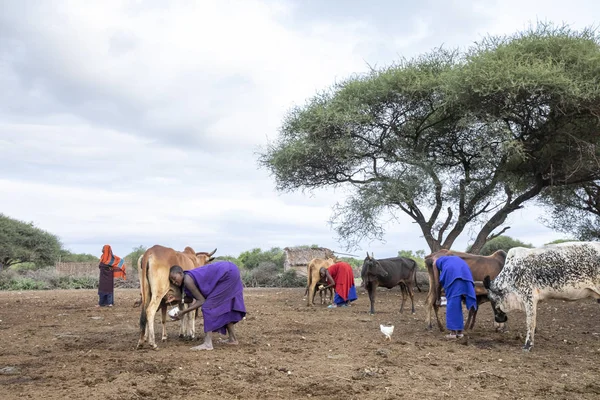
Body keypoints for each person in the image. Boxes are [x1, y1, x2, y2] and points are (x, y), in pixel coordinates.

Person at [168, 261, 246, 351]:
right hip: (230, 270)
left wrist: (183, 312)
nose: (174, 282)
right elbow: (191, 299)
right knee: (225, 306)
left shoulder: (187, 280)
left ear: (180, 273)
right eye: (172, 281)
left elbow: (201, 301)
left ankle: (208, 343)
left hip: (228, 273)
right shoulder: (186, 280)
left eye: (174, 278)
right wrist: (177, 298)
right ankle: (233, 339)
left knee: (207, 307)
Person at [430, 254, 477, 339]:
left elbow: (437, 283)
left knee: (452, 302)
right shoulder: (452, 258)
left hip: (452, 274)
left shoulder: (435, 262)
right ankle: (459, 332)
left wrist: (438, 299)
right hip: (465, 271)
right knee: (457, 302)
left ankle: (453, 333)